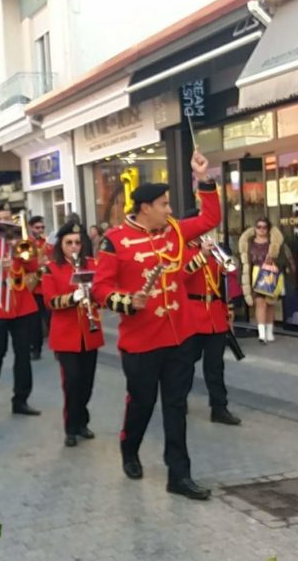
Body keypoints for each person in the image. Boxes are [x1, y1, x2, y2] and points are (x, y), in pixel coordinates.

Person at [92, 149, 220, 501]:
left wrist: (203, 179)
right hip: (141, 342)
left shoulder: (175, 232)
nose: (169, 209)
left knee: (176, 406)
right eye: (164, 204)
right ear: (145, 207)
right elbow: (101, 288)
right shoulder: (115, 240)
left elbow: (210, 218)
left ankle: (179, 475)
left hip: (179, 337)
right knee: (143, 402)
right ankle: (129, 446)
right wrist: (125, 301)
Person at [0, 205, 42, 416]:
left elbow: (32, 267)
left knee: (23, 354)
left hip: (21, 303)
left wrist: (18, 251)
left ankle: (20, 399)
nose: (3, 221)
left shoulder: (22, 241)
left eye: (6, 218)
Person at [42, 222, 104, 447]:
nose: (74, 246)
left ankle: (82, 422)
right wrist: (72, 297)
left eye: (78, 242)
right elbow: (50, 301)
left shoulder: (92, 264)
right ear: (61, 245)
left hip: (90, 331)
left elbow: (101, 291)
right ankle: (71, 426)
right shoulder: (52, 268)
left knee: (87, 382)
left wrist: (95, 295)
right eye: (69, 243)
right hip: (65, 334)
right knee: (72, 381)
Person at [182, 212, 241, 426]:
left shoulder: (214, 249)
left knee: (215, 365)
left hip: (215, 314)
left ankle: (219, 407)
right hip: (192, 314)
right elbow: (181, 277)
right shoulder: (182, 250)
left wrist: (228, 313)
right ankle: (179, 400)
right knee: (186, 363)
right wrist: (201, 257)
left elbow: (222, 284)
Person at [239, 218, 285, 343]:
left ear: (268, 229)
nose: (261, 229)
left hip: (270, 274)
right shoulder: (248, 243)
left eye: (264, 227)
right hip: (255, 274)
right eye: (258, 226)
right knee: (260, 303)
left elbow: (284, 260)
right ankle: (261, 333)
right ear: (255, 228)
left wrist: (274, 259)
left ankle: (270, 332)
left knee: (270, 304)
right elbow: (245, 262)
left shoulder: (274, 243)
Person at [27, 215, 52, 360]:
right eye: (37, 227)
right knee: (35, 322)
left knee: (51, 319)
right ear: (31, 228)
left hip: (47, 285)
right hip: (34, 287)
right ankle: (35, 349)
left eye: (42, 227)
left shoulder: (47, 243)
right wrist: (39, 263)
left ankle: (58, 347)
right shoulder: (26, 243)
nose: (40, 230)